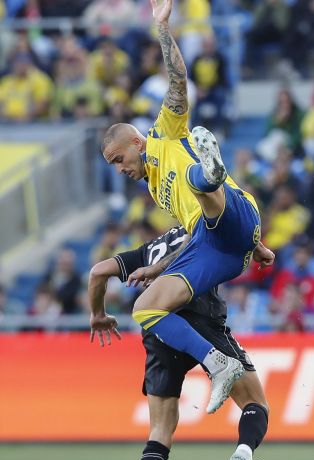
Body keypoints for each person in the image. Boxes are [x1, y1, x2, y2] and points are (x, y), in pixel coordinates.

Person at [100, 0, 274, 417]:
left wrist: (162, 29)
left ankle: (209, 173)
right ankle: (219, 365)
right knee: (146, 308)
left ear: (136, 143)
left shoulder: (163, 134)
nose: (121, 170)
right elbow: (193, 236)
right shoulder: (158, 191)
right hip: (224, 247)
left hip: (230, 211)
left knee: (201, 186)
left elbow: (178, 80)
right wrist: (159, 269)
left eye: (120, 159)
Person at [88, 226, 278, 460]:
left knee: (160, 431)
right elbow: (241, 228)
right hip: (202, 318)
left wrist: (98, 314)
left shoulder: (148, 250)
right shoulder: (203, 228)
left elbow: (98, 271)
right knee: (254, 402)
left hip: (161, 329)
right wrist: (261, 249)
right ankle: (244, 452)